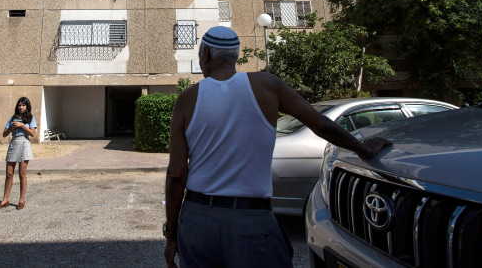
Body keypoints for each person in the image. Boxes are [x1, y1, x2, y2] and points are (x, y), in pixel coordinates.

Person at [164, 27, 391, 268]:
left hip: (198, 220)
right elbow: (321, 124)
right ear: (236, 55)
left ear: (206, 54)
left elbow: (177, 175)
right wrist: (361, 148)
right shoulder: (266, 85)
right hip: (251, 220)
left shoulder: (187, 99)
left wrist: (171, 234)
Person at [0, 97, 37, 210]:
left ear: (27, 106)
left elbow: (32, 133)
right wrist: (12, 127)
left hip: (24, 142)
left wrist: (22, 125)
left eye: (23, 105)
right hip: (14, 143)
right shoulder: (13, 118)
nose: (21, 107)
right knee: (9, 174)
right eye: (19, 105)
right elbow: (4, 134)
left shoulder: (30, 118)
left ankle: (21, 199)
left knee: (22, 174)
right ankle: (5, 199)